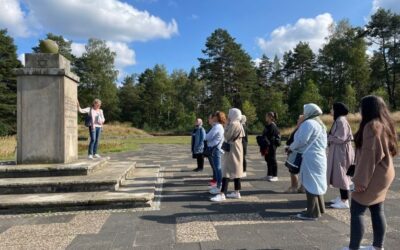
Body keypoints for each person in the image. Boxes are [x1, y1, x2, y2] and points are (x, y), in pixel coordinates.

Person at [343, 96, 397, 250]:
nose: (359, 110)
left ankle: (354, 247)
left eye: (361, 107)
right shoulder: (384, 123)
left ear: (367, 109)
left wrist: (360, 182)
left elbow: (368, 156)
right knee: (377, 208)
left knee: (357, 210)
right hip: (385, 171)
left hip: (375, 174)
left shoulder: (371, 127)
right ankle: (377, 246)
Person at [289, 103, 327, 220]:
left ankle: (312, 212)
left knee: (310, 184)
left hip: (310, 157)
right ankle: (320, 207)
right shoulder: (320, 124)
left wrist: (291, 147)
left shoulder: (308, 123)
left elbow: (301, 140)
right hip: (319, 156)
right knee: (317, 183)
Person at [211, 108, 245, 202]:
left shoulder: (233, 124)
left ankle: (222, 194)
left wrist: (226, 125)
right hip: (237, 148)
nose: (228, 115)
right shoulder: (239, 123)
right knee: (236, 170)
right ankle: (237, 192)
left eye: (230, 113)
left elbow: (226, 136)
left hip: (231, 149)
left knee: (226, 170)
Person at [327, 102, 355, 209]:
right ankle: (342, 197)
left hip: (341, 151)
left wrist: (328, 138)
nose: (331, 110)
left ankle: (345, 200)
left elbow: (341, 138)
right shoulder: (339, 120)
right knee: (340, 174)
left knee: (342, 174)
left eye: (332, 108)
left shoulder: (341, 121)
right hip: (339, 150)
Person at [206, 111, 226, 195]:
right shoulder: (219, 126)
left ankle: (219, 186)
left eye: (214, 116)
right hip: (216, 149)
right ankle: (218, 185)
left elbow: (207, 137)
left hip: (216, 149)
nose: (212, 117)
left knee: (218, 168)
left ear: (216, 117)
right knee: (217, 168)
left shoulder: (217, 126)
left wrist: (207, 135)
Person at [285, 114, 304, 193]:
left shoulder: (301, 129)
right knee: (295, 170)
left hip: (297, 152)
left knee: (294, 170)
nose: (297, 120)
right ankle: (300, 187)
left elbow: (298, 141)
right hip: (294, 151)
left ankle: (294, 187)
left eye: (299, 119)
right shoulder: (298, 128)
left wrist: (290, 148)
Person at [262, 112, 281, 182]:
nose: (265, 117)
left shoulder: (273, 126)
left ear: (270, 117)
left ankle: (275, 175)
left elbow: (272, 136)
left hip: (272, 145)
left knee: (273, 160)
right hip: (268, 145)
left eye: (266, 116)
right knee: (268, 159)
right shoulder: (268, 125)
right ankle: (269, 174)